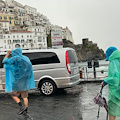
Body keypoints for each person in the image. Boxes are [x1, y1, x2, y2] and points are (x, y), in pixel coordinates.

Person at [2, 48, 35, 116]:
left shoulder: (14, 59)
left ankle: (21, 106)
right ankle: (25, 109)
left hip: (17, 80)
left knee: (14, 95)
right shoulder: (25, 58)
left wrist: (8, 53)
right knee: (25, 96)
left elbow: (4, 61)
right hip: (25, 80)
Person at [101, 46, 120, 120]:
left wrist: (105, 81)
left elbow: (115, 79)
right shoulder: (118, 60)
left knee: (112, 111)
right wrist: (109, 76)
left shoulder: (113, 62)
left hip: (115, 92)